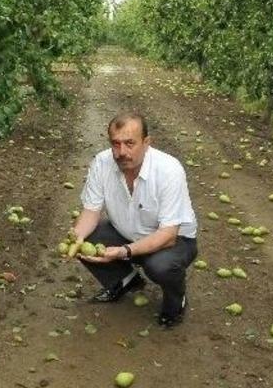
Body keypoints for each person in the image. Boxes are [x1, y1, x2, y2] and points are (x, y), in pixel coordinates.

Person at [72, 112, 198, 327]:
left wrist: (124, 251)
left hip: (173, 242)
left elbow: (168, 235)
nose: (122, 152)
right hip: (127, 234)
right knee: (84, 240)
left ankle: (177, 301)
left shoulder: (169, 170)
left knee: (160, 266)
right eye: (116, 144)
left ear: (146, 143)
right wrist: (76, 239)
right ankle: (126, 281)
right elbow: (91, 212)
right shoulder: (102, 163)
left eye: (130, 143)